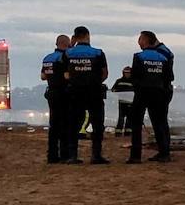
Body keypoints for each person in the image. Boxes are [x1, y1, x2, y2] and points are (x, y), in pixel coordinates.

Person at [58, 26, 110, 164]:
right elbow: (105, 73)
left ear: (75, 37)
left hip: (75, 92)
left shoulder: (68, 53)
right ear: (88, 35)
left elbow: (65, 74)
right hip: (94, 91)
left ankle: (72, 156)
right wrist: (95, 81)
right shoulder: (98, 53)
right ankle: (96, 155)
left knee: (73, 124)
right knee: (98, 124)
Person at [126, 31, 174, 163]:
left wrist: (137, 84)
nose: (138, 42)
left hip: (142, 93)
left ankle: (135, 156)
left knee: (136, 125)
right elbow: (169, 77)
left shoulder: (139, 56)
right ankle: (164, 154)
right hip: (158, 94)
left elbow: (135, 77)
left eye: (140, 39)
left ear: (146, 41)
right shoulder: (164, 57)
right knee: (159, 123)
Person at [40, 34, 71, 163]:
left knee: (53, 125)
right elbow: (67, 76)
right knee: (65, 124)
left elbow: (43, 76)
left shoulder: (47, 58)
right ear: (66, 44)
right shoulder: (64, 58)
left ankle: (52, 155)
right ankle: (64, 155)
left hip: (51, 93)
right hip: (63, 93)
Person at [111, 66, 134, 136]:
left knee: (130, 118)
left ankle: (128, 132)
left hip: (131, 103)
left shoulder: (134, 81)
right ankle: (118, 132)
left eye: (129, 73)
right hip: (122, 102)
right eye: (126, 73)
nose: (127, 74)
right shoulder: (119, 81)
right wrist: (118, 92)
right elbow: (113, 89)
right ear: (123, 73)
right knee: (121, 117)